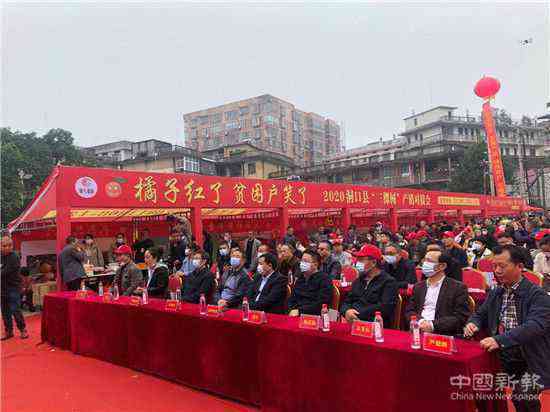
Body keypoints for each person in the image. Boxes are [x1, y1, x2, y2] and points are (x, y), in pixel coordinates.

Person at [464, 245, 550, 412]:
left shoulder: (538, 295)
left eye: (502, 266)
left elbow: (535, 325)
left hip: (531, 355)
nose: (497, 271)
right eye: (494, 266)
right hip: (503, 353)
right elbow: (480, 314)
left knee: (523, 396)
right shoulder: (497, 292)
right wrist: (473, 323)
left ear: (520, 266)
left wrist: (499, 340)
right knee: (475, 381)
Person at [405, 251, 470, 335]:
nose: (424, 263)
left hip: (442, 332)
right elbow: (409, 310)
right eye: (424, 260)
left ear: (442, 266)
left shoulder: (457, 288)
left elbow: (460, 317)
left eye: (429, 261)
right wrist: (420, 321)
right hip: (418, 329)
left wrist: (432, 325)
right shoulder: (418, 286)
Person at [340, 244, 398, 326]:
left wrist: (357, 313)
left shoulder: (388, 282)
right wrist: (346, 311)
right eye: (357, 260)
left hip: (374, 325)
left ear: (374, 262)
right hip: (353, 322)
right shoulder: (358, 281)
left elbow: (385, 308)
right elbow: (347, 301)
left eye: (361, 260)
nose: (357, 263)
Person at [287, 249, 332, 316]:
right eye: (302, 261)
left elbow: (322, 303)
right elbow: (292, 298)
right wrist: (291, 309)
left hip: (313, 315)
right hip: (295, 313)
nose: (302, 264)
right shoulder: (300, 278)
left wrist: (300, 311)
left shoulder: (324, 279)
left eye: (305, 261)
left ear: (315, 264)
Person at [1, 236, 28, 340]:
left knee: (15, 309)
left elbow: (6, 271)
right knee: (5, 311)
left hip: (13, 287)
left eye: (9, 245)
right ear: (0, 246)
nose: (7, 247)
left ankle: (23, 329)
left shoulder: (14, 256)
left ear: (12, 245)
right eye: (4, 246)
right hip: (2, 288)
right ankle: (8, 331)